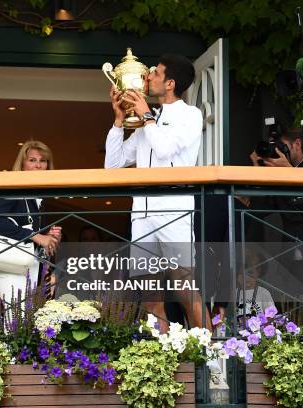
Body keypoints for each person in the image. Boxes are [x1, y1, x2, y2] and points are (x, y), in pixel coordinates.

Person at [104, 54, 210, 332]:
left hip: (174, 211)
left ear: (171, 83)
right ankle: (160, 364)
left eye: (155, 73)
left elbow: (163, 149)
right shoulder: (147, 119)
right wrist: (118, 121)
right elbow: (113, 166)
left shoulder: (190, 114)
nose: (147, 77)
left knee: (185, 290)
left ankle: (212, 369)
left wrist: (145, 116)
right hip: (142, 214)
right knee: (150, 297)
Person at [0, 140, 62, 310]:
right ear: (22, 164)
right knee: (16, 323)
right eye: (32, 160)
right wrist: (37, 236)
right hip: (10, 268)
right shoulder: (13, 187)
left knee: (26, 326)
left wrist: (49, 238)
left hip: (29, 269)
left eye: (43, 161)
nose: (38, 165)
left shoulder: (38, 196)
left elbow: (30, 232)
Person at [248, 126, 303, 287]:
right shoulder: (278, 176)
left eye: (283, 147)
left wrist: (289, 171)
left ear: (297, 144)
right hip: (289, 259)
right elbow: (259, 210)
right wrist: (258, 172)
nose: (278, 152)